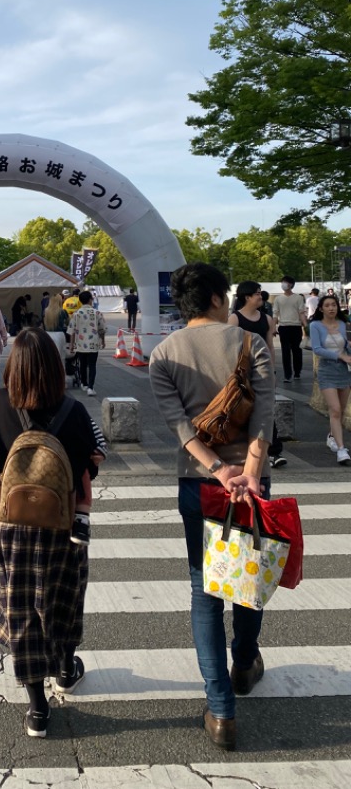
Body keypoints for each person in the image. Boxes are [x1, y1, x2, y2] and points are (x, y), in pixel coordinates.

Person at [149, 263, 275, 751]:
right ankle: (244, 661)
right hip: (251, 481)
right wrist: (248, 471)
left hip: (198, 483)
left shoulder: (164, 353)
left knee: (205, 589)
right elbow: (264, 413)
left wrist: (216, 470)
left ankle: (221, 710)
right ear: (221, 299)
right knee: (247, 577)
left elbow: (178, 426)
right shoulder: (251, 344)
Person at [0, 327, 102, 738]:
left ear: (12, 368)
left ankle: (37, 709)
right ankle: (66, 668)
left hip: (13, 523)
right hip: (63, 522)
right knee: (63, 594)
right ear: (55, 368)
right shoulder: (74, 410)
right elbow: (90, 466)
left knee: (20, 602)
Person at [229, 280, 287, 467]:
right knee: (242, 409)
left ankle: (273, 451)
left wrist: (272, 371)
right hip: (242, 371)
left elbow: (270, 347)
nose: (260, 295)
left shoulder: (267, 319)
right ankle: (243, 450)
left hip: (263, 372)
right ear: (247, 297)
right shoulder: (235, 319)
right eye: (257, 293)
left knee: (266, 410)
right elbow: (230, 348)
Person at [309, 293, 351, 466]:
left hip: (344, 371)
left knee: (340, 410)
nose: (331, 308)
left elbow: (347, 345)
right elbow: (317, 348)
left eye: (334, 305)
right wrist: (339, 356)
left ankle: (332, 436)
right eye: (327, 305)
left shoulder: (343, 325)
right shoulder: (315, 325)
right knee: (334, 409)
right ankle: (342, 449)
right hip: (326, 369)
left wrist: (347, 352)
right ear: (321, 308)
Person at [67, 290, 106, 397]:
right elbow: (102, 329)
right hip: (93, 343)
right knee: (92, 365)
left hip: (80, 344)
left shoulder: (76, 314)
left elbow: (72, 331)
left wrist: (71, 346)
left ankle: (84, 383)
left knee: (82, 365)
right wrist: (103, 340)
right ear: (90, 300)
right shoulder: (97, 313)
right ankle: (91, 387)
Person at [272, 275, 307, 383]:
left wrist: (306, 326)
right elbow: (275, 314)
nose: (283, 284)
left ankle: (297, 372)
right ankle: (287, 375)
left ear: (291, 284)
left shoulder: (298, 298)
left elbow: (301, 313)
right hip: (283, 327)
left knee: (297, 351)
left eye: (285, 282)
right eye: (282, 282)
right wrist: (273, 327)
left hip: (296, 327)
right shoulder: (278, 298)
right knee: (285, 352)